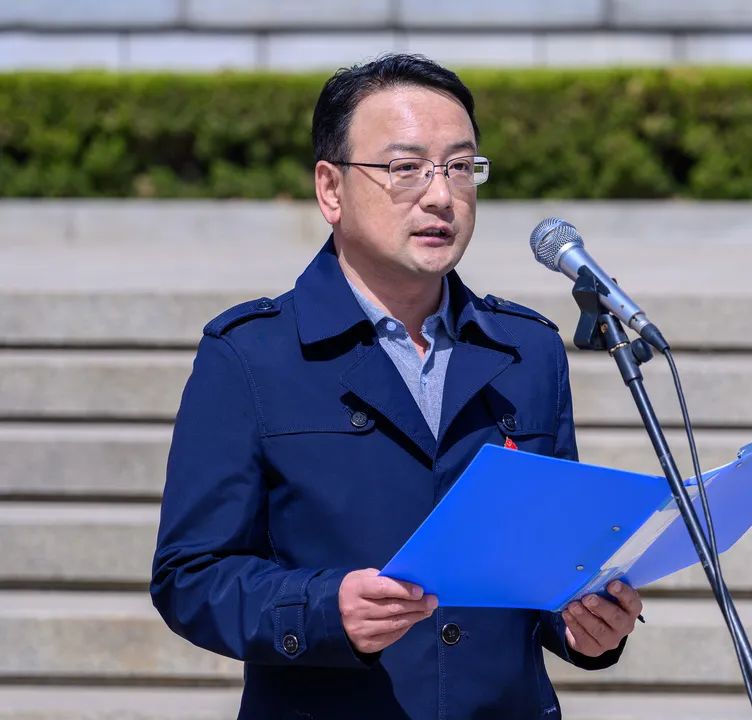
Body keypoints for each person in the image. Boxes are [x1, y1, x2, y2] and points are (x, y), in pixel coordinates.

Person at [150, 53, 643, 719]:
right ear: (331, 189)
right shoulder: (250, 355)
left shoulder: (527, 350)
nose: (441, 196)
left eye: (460, 167)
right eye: (405, 168)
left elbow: (547, 559)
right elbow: (191, 577)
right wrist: (325, 610)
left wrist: (583, 623)